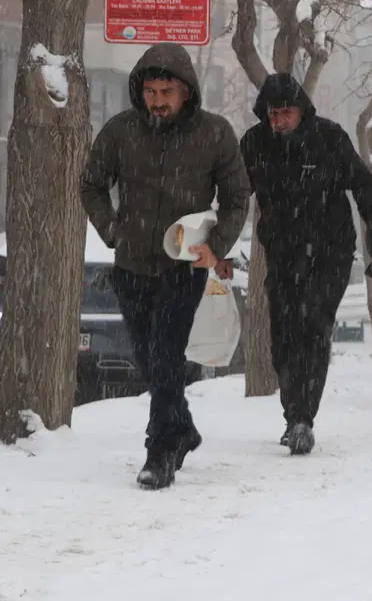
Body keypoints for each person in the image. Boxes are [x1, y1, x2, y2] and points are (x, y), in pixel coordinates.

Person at [80, 43, 251, 490]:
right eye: (151, 91)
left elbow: (237, 198)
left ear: (186, 92)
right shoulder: (121, 132)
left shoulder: (214, 134)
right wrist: (112, 231)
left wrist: (216, 246)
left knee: (166, 355)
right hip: (131, 264)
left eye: (167, 91)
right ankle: (184, 429)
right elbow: (92, 185)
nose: (158, 100)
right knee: (149, 359)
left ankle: (160, 452)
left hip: (183, 267)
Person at [237, 73, 372, 456]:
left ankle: (304, 417)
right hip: (282, 253)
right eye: (273, 115)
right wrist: (216, 245)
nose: (279, 122)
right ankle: (293, 413)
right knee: (283, 335)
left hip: (331, 252)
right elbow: (233, 195)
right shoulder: (256, 144)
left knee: (314, 327)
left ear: (302, 110)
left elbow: (363, 187)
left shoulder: (329, 137)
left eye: (286, 113)